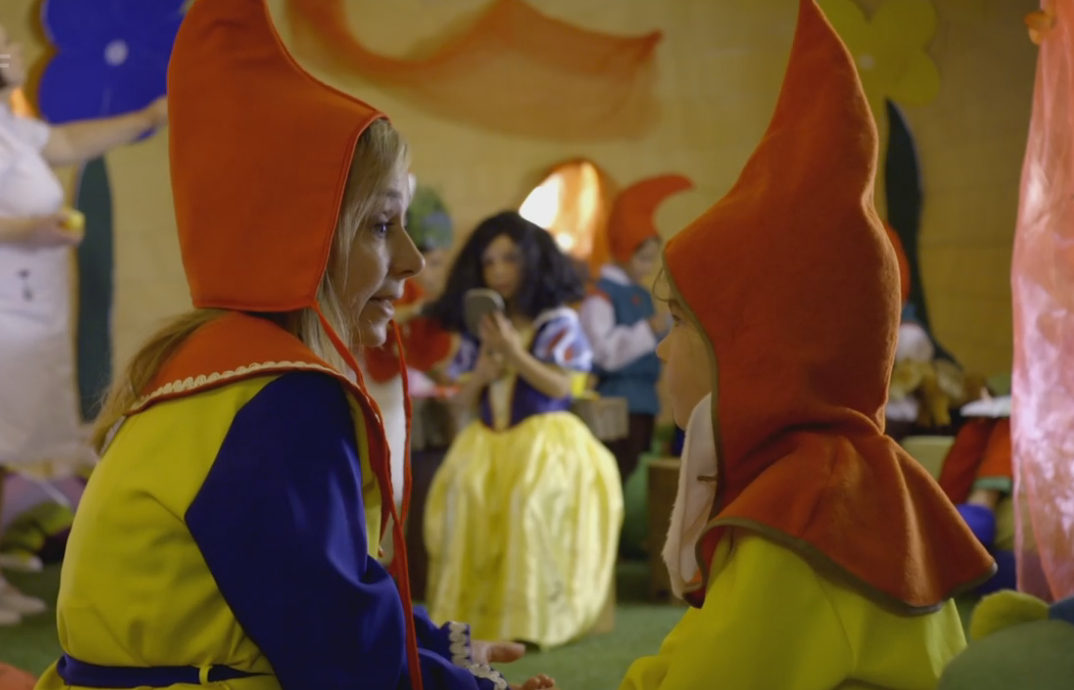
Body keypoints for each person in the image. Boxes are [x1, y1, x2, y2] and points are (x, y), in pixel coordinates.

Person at [33, 2, 553, 689]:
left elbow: (316, 586)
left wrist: (434, 647)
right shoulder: (282, 402)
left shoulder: (212, 367)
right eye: (381, 225)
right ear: (300, 239)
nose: (411, 260)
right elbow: (341, 661)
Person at [619, 2, 995, 688]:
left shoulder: (807, 519)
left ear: (759, 345)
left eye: (679, 322)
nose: (664, 351)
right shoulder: (832, 483)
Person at [0, 19, 167, 626]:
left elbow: (67, 140)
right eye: (4, 42)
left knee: (10, 443)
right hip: (6, 315)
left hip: (30, 310)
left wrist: (146, 115)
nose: (16, 50)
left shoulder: (13, 126)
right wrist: (29, 229)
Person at [424, 212, 624, 649]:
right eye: (489, 262)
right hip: (487, 442)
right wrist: (481, 372)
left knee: (528, 500)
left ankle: (532, 617)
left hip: (544, 443)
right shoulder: (481, 330)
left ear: (532, 261)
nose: (498, 271)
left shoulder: (557, 322)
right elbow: (460, 399)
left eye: (509, 259)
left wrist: (515, 353)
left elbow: (561, 386)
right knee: (464, 494)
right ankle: (473, 617)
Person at [579, 174, 692, 483]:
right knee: (618, 473)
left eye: (652, 259)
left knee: (638, 472)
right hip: (616, 404)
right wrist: (647, 330)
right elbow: (602, 353)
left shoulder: (640, 293)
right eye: (643, 258)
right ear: (623, 251)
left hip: (645, 401)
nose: (648, 267)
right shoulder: (601, 295)